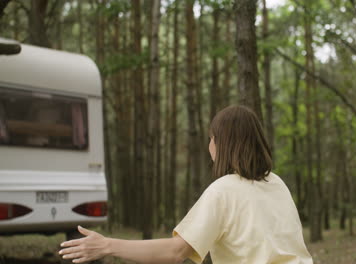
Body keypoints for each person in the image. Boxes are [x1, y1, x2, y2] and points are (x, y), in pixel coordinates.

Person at [59, 105, 313, 264]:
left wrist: (107, 245)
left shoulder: (224, 190)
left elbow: (175, 252)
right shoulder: (276, 182)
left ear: (224, 144)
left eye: (212, 139)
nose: (209, 146)